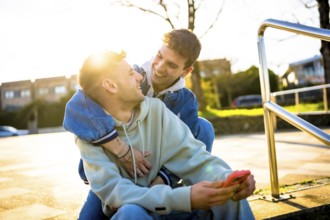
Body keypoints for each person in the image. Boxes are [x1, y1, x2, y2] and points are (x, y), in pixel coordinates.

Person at [72, 50, 256, 219]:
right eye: (130, 73)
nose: (138, 77)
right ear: (110, 86)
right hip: (129, 209)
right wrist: (185, 198)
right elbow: (114, 192)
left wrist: (228, 179)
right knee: (130, 212)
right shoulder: (88, 134)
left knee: (229, 196)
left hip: (168, 201)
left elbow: (195, 157)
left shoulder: (156, 110)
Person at [64, 29, 215, 218]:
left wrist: (156, 187)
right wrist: (123, 151)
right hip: (117, 171)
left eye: (171, 65)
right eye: (159, 56)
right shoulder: (130, 75)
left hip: (154, 173)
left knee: (204, 128)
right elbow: (76, 109)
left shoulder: (185, 101)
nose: (159, 67)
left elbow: (185, 149)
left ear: (186, 71)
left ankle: (157, 197)